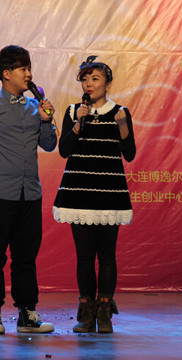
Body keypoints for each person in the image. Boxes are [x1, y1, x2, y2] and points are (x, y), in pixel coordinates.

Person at [0, 45, 57, 334]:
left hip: (30, 194)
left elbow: (49, 145)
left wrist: (46, 120)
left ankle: (27, 314)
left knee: (26, 257)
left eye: (29, 68)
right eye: (22, 68)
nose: (29, 74)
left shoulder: (34, 107)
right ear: (6, 74)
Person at [53, 55, 136, 333]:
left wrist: (122, 126)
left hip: (109, 192)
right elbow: (64, 150)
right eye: (85, 79)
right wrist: (78, 123)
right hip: (79, 192)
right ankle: (86, 315)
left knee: (107, 256)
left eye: (95, 78)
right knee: (85, 257)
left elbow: (130, 154)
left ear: (107, 84)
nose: (89, 84)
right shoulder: (73, 111)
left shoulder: (120, 112)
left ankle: (105, 314)